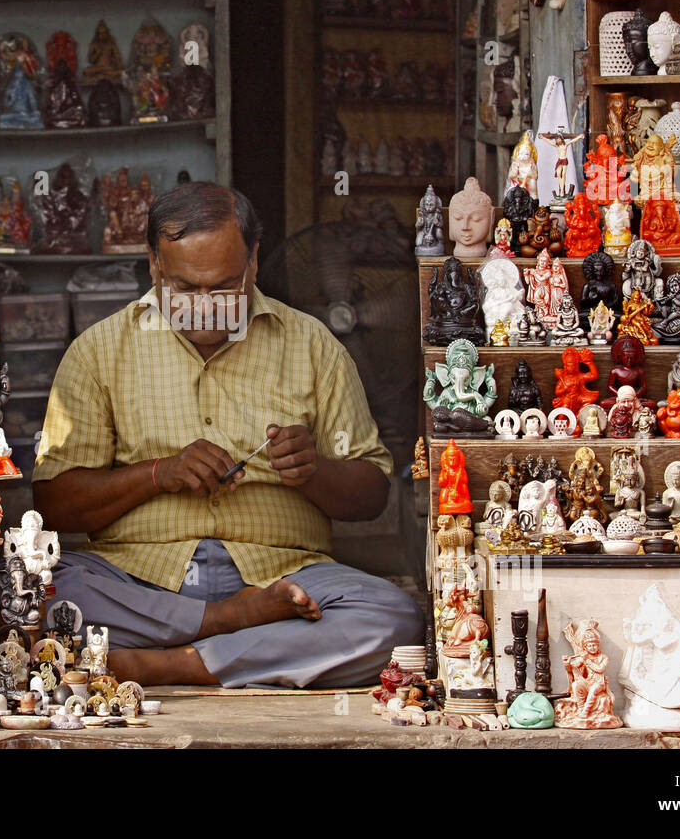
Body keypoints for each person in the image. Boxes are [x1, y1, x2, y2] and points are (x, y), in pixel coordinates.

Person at [33, 182, 421, 688]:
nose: (204, 306)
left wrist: (314, 472)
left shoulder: (311, 346)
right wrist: (158, 474)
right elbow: (53, 504)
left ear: (254, 261)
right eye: (184, 288)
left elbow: (372, 494)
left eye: (221, 287)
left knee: (397, 620)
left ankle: (169, 663)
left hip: (282, 575)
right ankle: (232, 629)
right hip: (137, 578)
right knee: (39, 593)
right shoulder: (99, 353)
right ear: (154, 265)